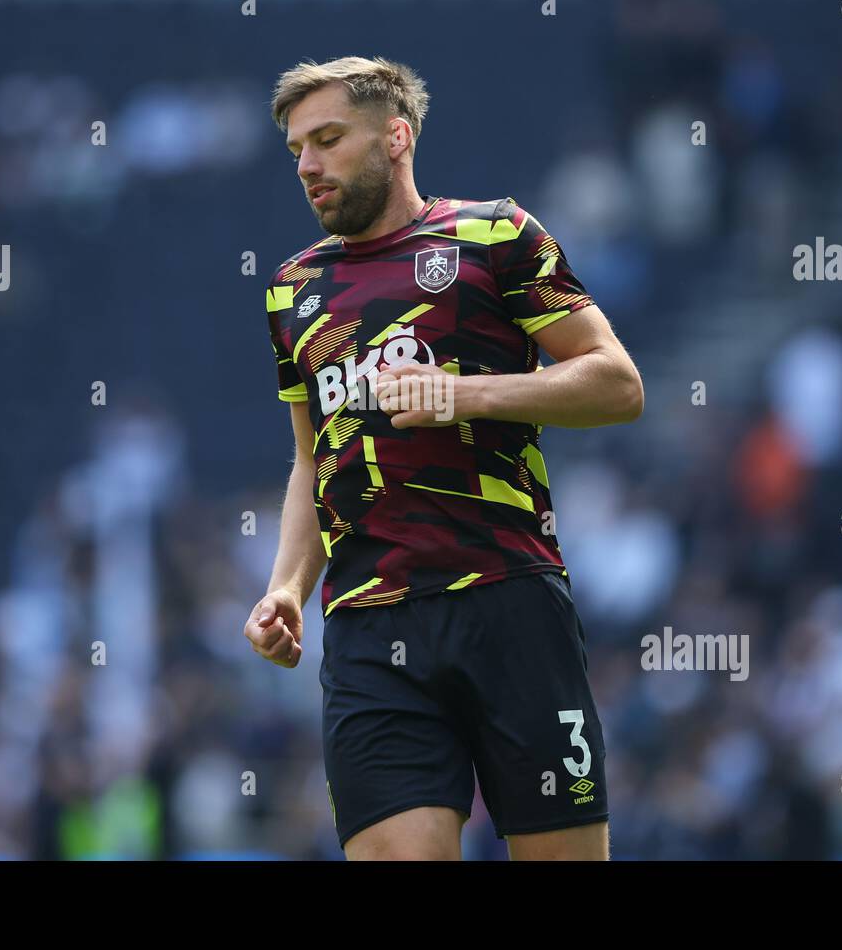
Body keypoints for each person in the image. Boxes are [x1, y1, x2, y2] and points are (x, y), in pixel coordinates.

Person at [246, 55, 643, 861]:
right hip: (366, 625)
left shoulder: (494, 236)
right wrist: (287, 587)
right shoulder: (294, 291)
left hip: (509, 603)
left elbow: (617, 384)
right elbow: (308, 462)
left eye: (327, 139)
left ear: (396, 137)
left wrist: (467, 394)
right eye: (296, 150)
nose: (309, 167)